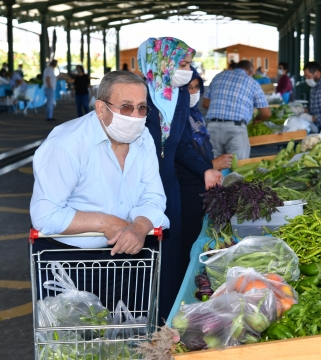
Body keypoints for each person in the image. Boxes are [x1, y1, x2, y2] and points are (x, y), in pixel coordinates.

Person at [29, 70, 168, 310]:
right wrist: (105, 223)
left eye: (142, 108)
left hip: (130, 258)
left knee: (128, 338)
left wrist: (139, 226)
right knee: (74, 344)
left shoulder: (143, 137)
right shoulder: (67, 144)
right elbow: (45, 215)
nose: (135, 116)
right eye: (126, 107)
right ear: (101, 109)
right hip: (71, 265)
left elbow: (153, 196)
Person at [139, 37, 223, 326]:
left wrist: (205, 170)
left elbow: (184, 145)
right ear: (162, 63)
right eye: (182, 64)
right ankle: (138, 315)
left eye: (188, 65)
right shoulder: (138, 96)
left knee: (170, 253)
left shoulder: (181, 97)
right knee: (141, 252)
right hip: (138, 185)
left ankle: (166, 319)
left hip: (169, 186)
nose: (187, 71)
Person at [176, 66, 233, 259]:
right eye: (187, 88)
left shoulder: (195, 116)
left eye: (196, 87)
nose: (193, 93)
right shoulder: (177, 118)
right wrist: (211, 164)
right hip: (186, 189)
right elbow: (179, 155)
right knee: (189, 238)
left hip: (199, 185)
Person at [203, 60, 270, 159]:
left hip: (213, 127)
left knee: (213, 166)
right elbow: (266, 113)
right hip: (236, 128)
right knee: (237, 168)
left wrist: (223, 108)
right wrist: (257, 119)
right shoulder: (251, 82)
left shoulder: (218, 77)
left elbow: (205, 103)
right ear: (250, 72)